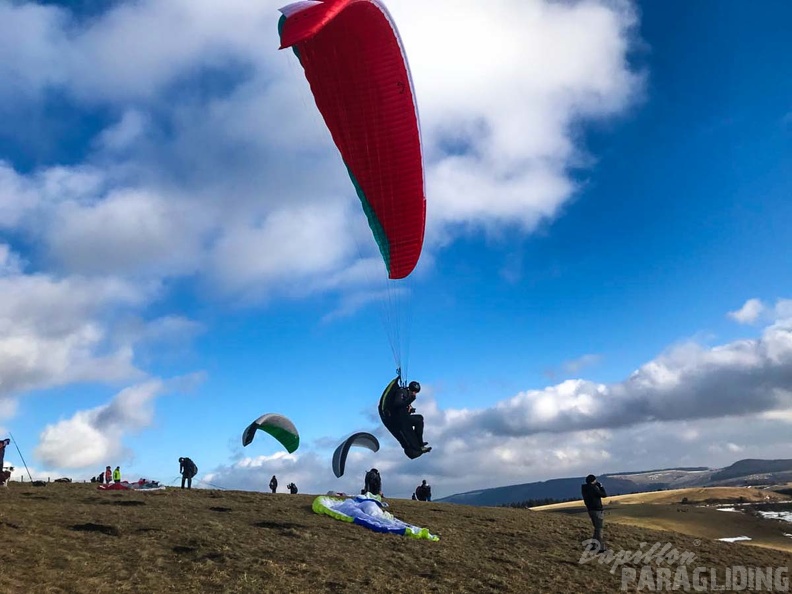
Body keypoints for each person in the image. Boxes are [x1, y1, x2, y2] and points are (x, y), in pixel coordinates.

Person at [378, 378, 431, 459]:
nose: (415, 394)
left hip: (403, 417)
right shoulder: (401, 392)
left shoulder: (407, 394)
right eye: (415, 392)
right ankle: (417, 447)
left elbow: (403, 407)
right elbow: (397, 404)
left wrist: (410, 409)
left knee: (419, 419)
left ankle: (420, 443)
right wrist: (410, 400)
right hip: (398, 420)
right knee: (416, 422)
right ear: (412, 390)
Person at [581, 474, 608, 553]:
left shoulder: (584, 488)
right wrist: (601, 486)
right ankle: (600, 547)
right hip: (597, 510)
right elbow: (604, 495)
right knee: (599, 529)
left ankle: (593, 545)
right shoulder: (593, 488)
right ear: (593, 480)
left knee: (596, 528)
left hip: (590, 510)